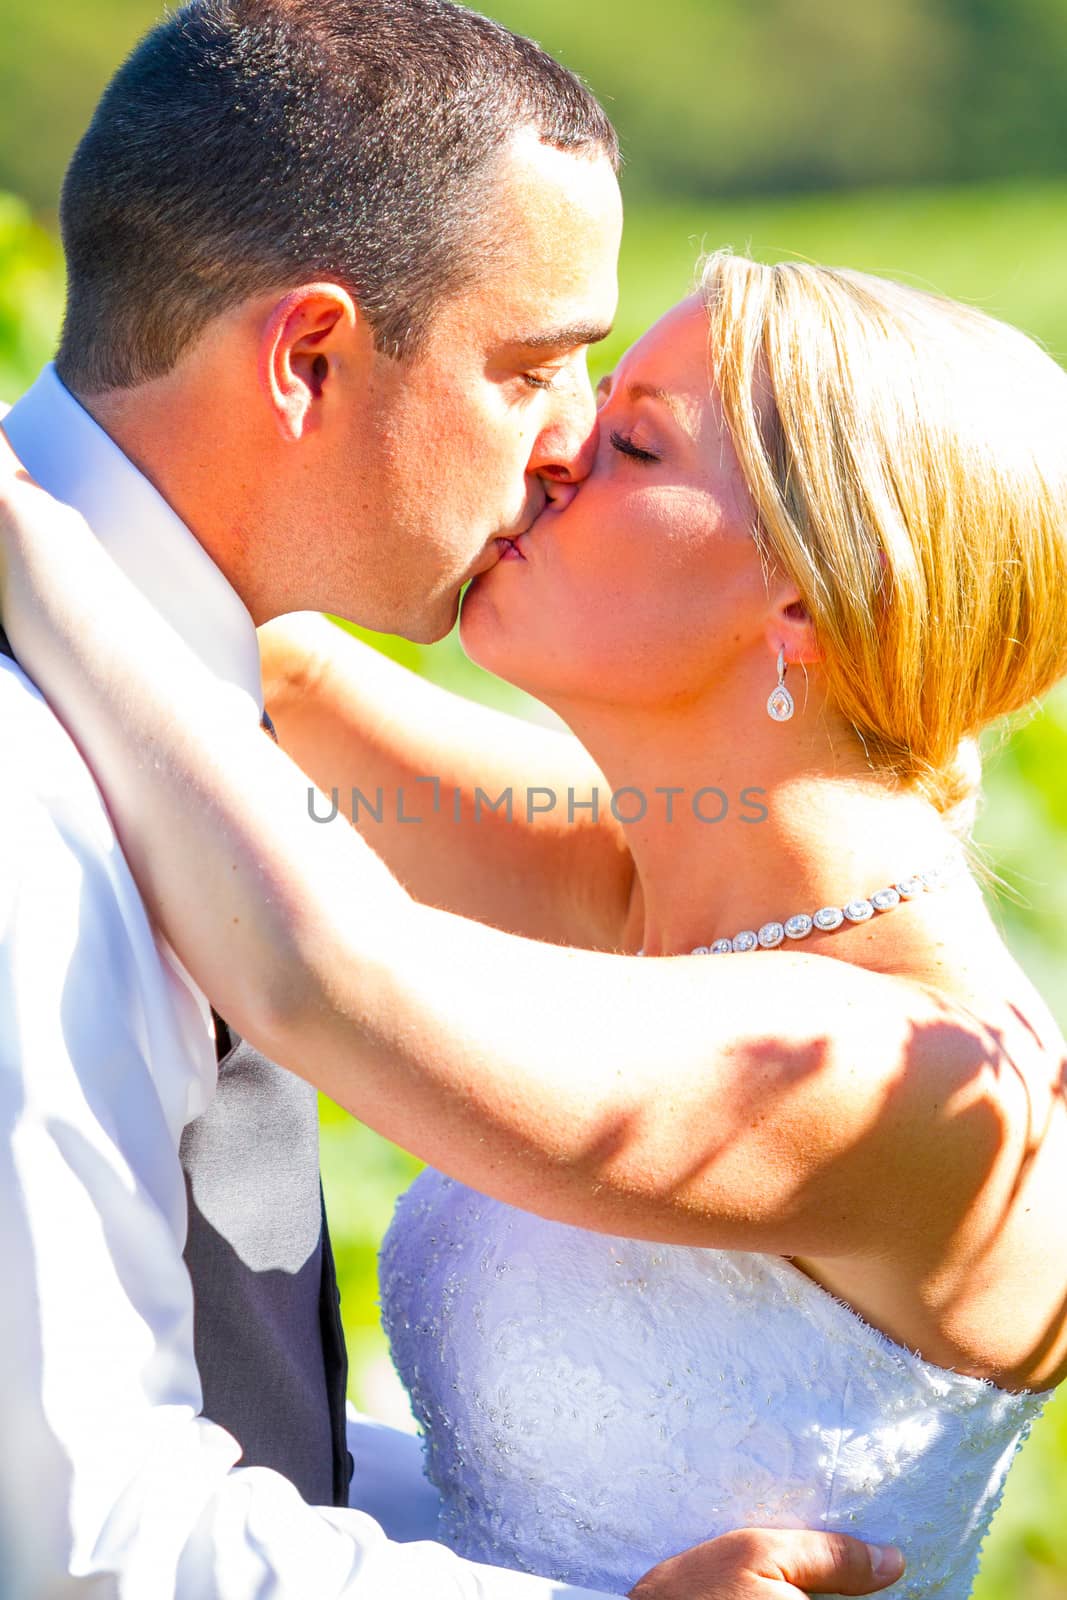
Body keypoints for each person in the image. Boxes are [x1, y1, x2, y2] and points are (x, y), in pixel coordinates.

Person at [0, 0, 902, 1595]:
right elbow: (70, 1534)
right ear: (312, 356)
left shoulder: (183, 686)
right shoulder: (31, 793)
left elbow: (243, 1438)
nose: (562, 451)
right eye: (537, 368)